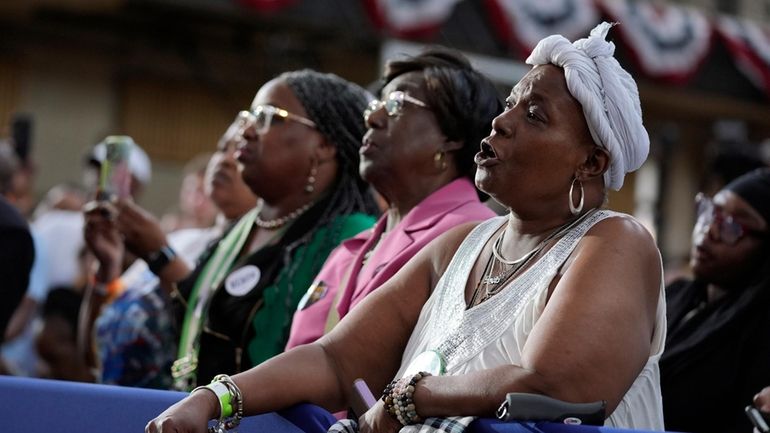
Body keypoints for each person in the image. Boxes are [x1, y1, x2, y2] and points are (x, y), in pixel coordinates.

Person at [146, 22, 665, 433]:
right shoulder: (461, 245)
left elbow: (558, 387)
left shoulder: (614, 241)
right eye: (508, 105)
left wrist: (409, 399)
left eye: (534, 115)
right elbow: (336, 359)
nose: (501, 122)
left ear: (591, 163)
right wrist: (216, 397)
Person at [86, 70, 380, 391]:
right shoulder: (243, 229)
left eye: (269, 117)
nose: (247, 131)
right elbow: (198, 323)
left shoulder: (353, 239)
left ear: (324, 144)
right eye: (249, 116)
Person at [286, 49, 500, 349]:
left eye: (396, 104)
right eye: (376, 105)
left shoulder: (477, 237)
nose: (372, 118)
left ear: (452, 135)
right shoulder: (352, 248)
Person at [88, 116, 259, 388]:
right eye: (221, 148)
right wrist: (106, 268)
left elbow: (212, 327)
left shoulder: (256, 259)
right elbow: (95, 344)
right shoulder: (182, 240)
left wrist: (160, 255)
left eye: (238, 152)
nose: (225, 160)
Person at [660, 168, 770, 433]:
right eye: (711, 212)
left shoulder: (761, 331)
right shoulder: (672, 296)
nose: (709, 230)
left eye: (732, 226)